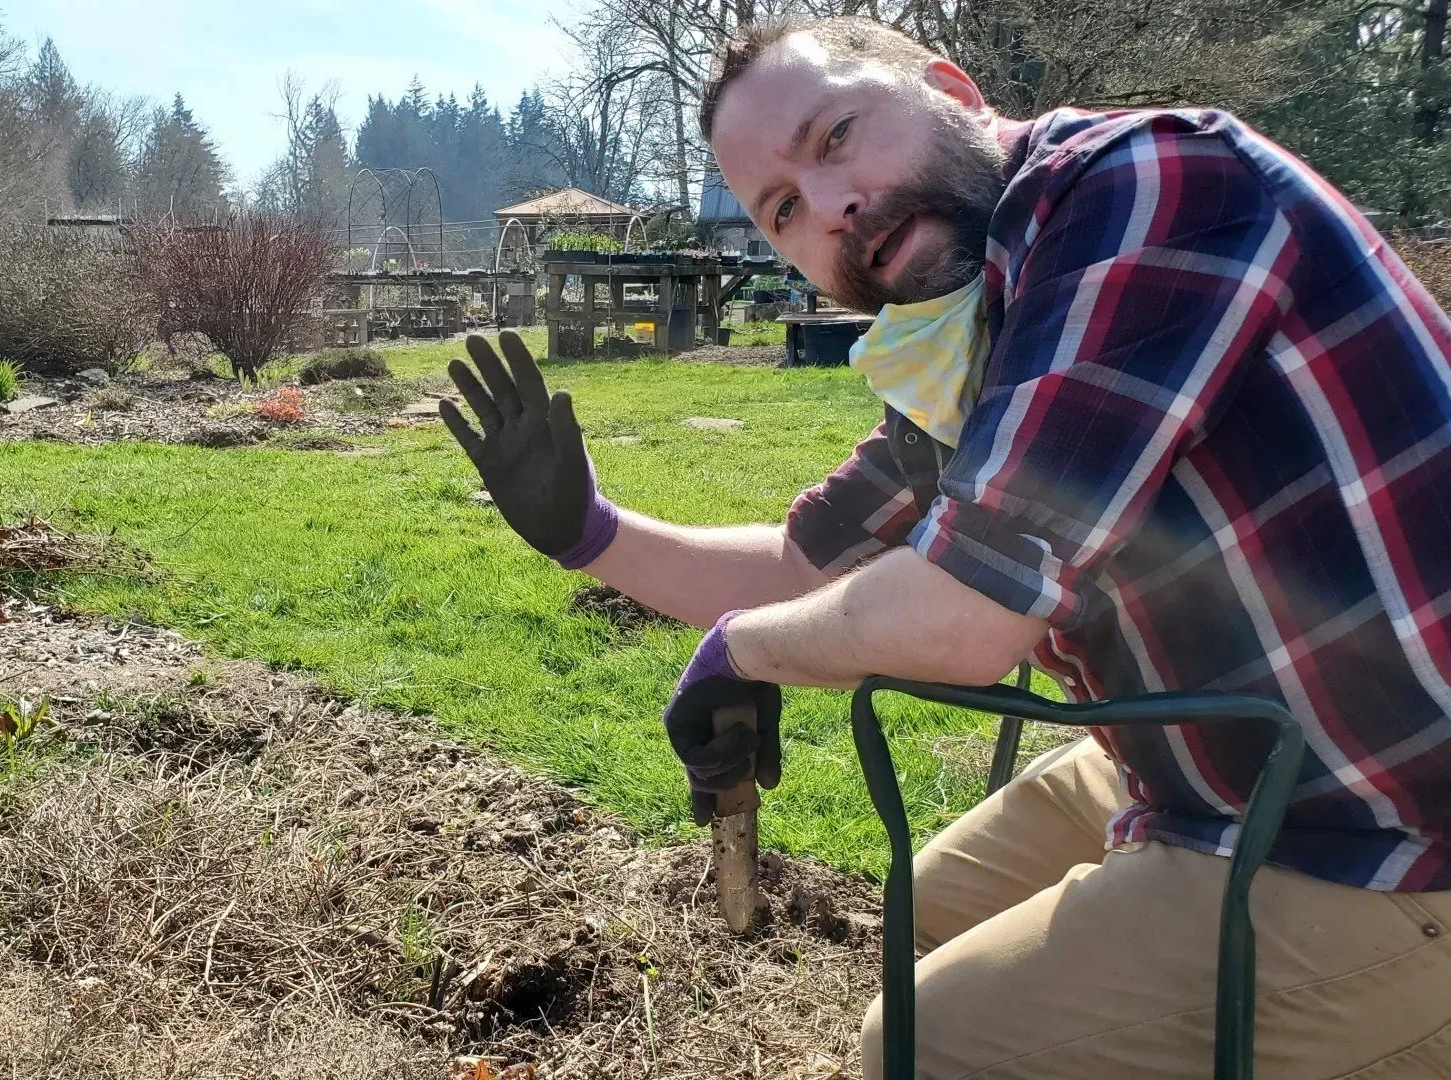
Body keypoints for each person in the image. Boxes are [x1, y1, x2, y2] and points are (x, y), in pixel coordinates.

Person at [439, 16, 1451, 1080]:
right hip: (1224, 773)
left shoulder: (1151, 187)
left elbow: (965, 614)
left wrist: (747, 651)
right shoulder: (985, 329)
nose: (832, 207)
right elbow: (801, 565)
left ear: (953, 87)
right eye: (783, 210)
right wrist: (585, 532)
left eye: (835, 137)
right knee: (921, 910)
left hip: (1392, 835)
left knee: (918, 1049)